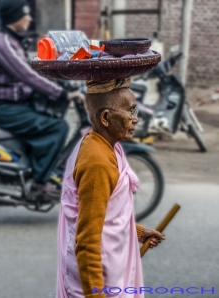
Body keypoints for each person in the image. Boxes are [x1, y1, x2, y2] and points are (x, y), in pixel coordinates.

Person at [56, 78, 166, 298]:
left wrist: (137, 232)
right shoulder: (97, 161)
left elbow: (105, 215)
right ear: (106, 117)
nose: (136, 119)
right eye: (131, 112)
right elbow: (87, 241)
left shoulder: (104, 146)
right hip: (99, 280)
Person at [0, 0, 83, 199]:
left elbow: (32, 67)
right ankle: (40, 182)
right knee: (58, 127)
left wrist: (61, 78)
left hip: (14, 104)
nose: (29, 18)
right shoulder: (4, 43)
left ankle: (35, 168)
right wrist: (62, 94)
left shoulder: (12, 40)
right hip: (5, 108)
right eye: (26, 15)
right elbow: (27, 75)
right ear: (15, 17)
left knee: (48, 120)